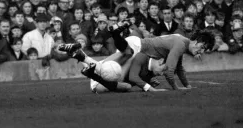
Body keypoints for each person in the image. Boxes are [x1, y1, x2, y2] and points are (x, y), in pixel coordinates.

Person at [60, 20, 214, 91]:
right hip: (138, 46)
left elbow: (179, 68)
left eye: (205, 50)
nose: (201, 51)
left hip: (136, 44)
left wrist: (186, 85)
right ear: (196, 41)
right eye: (202, 47)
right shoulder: (180, 45)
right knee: (117, 74)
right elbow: (169, 70)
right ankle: (92, 62)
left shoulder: (182, 43)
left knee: (113, 66)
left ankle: (82, 56)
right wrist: (176, 88)